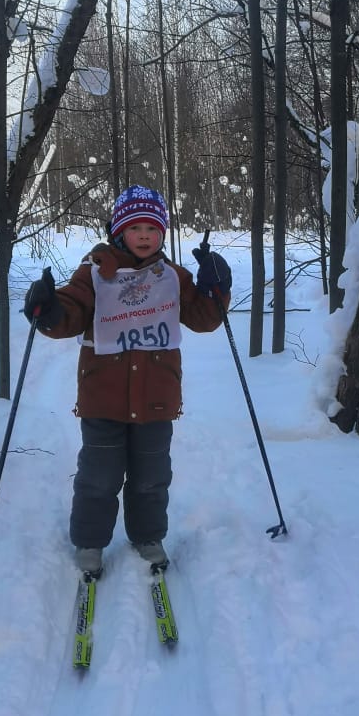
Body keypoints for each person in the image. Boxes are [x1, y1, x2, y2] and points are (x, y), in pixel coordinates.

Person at [23, 185, 232, 578]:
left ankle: (148, 537)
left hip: (157, 397)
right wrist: (48, 309)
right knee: (98, 477)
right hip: (103, 396)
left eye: (152, 228)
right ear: (119, 230)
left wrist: (215, 287)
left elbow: (204, 318)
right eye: (135, 227)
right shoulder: (95, 272)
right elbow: (71, 310)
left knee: (152, 477)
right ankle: (90, 542)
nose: (144, 236)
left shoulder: (172, 277)